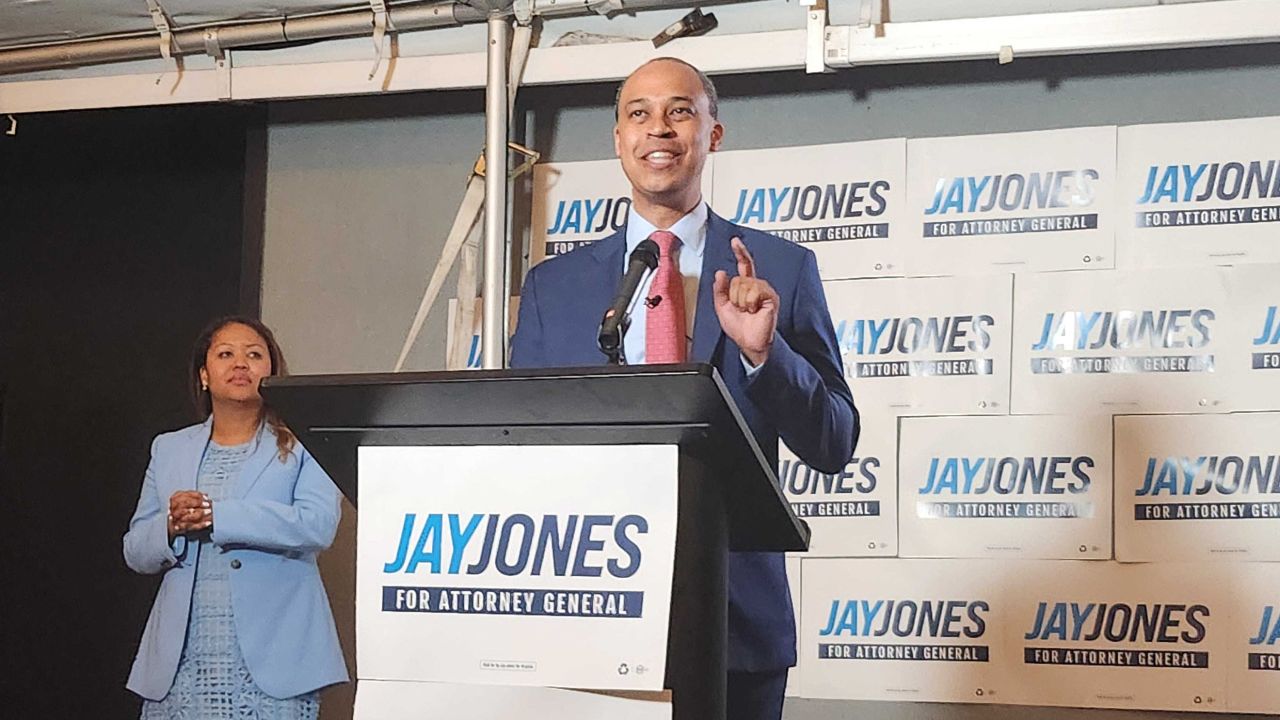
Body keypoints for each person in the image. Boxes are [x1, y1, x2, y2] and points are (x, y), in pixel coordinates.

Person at [510, 58, 859, 719]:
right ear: (618, 138)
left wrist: (765, 354)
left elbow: (835, 442)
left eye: (680, 111)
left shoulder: (781, 268)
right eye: (638, 114)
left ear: (712, 134)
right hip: (585, 617)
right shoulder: (555, 288)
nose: (659, 129)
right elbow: (517, 444)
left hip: (733, 619)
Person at [123, 316, 347, 719]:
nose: (241, 364)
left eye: (254, 355)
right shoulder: (169, 448)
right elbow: (136, 551)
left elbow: (318, 524)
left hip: (275, 658)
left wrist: (218, 514)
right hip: (181, 661)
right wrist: (170, 526)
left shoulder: (304, 443)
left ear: (271, 372)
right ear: (204, 375)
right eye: (226, 354)